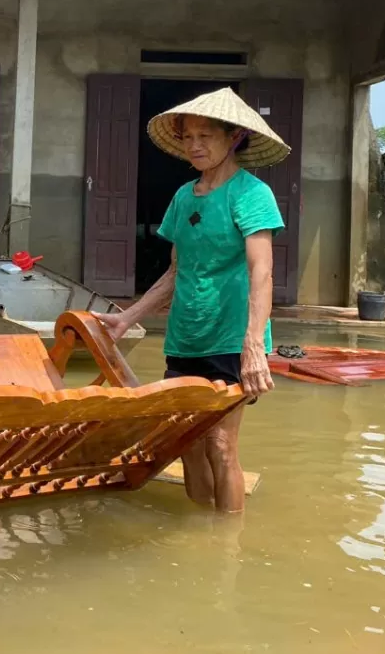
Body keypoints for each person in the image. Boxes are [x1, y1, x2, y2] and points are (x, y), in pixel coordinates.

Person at [99, 87, 290, 514]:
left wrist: (254, 345)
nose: (195, 145)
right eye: (187, 137)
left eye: (206, 135)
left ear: (234, 137)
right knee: (186, 443)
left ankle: (226, 548)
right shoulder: (184, 197)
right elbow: (175, 272)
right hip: (185, 337)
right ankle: (199, 535)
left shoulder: (251, 194)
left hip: (230, 338)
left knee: (221, 444)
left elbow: (262, 272)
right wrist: (126, 319)